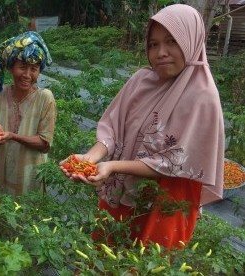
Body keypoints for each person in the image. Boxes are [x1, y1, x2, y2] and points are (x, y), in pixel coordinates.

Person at [60, 4, 224, 249]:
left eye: (172, 41)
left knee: (145, 263)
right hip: (122, 193)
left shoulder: (202, 96)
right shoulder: (140, 81)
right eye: (153, 44)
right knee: (105, 254)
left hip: (165, 201)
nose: (161, 52)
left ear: (191, 40)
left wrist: (112, 166)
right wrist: (90, 159)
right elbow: (112, 129)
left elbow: (172, 162)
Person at [0, 31, 57, 196]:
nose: (27, 75)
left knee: (28, 217)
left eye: (34, 69)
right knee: (4, 216)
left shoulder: (45, 98)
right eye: (22, 67)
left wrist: (12, 136)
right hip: (3, 174)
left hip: (30, 178)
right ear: (11, 67)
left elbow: (44, 143)